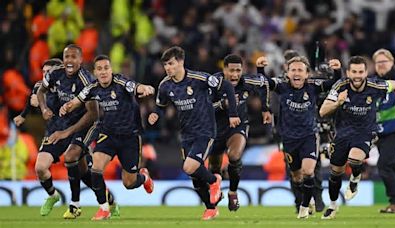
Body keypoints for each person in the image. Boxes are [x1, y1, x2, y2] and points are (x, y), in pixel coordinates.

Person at [148, 46, 241, 220]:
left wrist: (233, 114)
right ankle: (211, 208)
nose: (168, 68)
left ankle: (215, 181)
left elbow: (227, 85)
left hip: (205, 131)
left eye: (171, 63)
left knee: (189, 167)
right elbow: (160, 106)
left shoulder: (199, 78)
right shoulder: (165, 85)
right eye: (165, 65)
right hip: (186, 134)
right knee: (194, 175)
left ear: (181, 62)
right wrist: (155, 114)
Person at [59, 54, 155, 220]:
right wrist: (67, 106)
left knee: (129, 183)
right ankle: (104, 208)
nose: (103, 72)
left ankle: (144, 177)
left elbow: (136, 86)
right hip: (108, 134)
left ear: (111, 70)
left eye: (106, 68)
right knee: (96, 168)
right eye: (99, 69)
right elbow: (77, 100)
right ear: (95, 72)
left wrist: (146, 88)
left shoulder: (120, 82)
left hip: (129, 137)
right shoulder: (92, 88)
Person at [256, 55, 341, 219]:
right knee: (296, 176)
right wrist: (260, 69)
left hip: (309, 136)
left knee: (308, 172)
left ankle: (304, 206)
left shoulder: (313, 86)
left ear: (307, 74)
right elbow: (265, 82)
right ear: (287, 73)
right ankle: (306, 200)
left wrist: (337, 71)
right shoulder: (282, 87)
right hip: (288, 138)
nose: (296, 73)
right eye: (293, 70)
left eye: (300, 70)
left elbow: (334, 84)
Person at [320, 56, 395, 219]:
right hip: (342, 133)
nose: (357, 75)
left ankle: (356, 175)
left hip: (364, 132)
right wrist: (337, 103)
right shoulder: (340, 86)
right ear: (348, 72)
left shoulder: (376, 85)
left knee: (355, 159)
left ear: (366, 72)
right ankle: (333, 205)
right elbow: (323, 111)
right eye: (354, 72)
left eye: (361, 72)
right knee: (336, 173)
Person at [36, 44, 102, 219]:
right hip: (59, 126)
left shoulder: (86, 81)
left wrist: (67, 133)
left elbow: (93, 115)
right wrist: (43, 109)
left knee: (71, 158)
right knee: (40, 167)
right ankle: (53, 195)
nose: (69, 61)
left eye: (74, 57)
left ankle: (75, 206)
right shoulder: (55, 73)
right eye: (67, 57)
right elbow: (40, 91)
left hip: (82, 126)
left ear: (81, 60)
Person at [208, 54, 272, 212]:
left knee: (234, 156)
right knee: (214, 168)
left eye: (238, 70)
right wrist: (223, 104)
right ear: (224, 70)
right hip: (215, 129)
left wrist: (265, 108)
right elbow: (205, 107)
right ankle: (216, 191)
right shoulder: (214, 83)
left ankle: (232, 192)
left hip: (238, 127)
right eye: (231, 70)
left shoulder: (247, 81)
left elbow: (264, 84)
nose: (235, 74)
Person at [372, 49, 395, 213]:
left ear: (392, 62)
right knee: (393, 166)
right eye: (378, 63)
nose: (381, 65)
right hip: (381, 131)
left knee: (384, 165)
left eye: (384, 62)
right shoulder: (375, 82)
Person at [14, 58, 63, 127]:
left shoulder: (66, 85)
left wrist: (42, 101)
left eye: (48, 71)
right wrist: (23, 115)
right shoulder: (39, 85)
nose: (45, 75)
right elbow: (31, 100)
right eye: (43, 72)